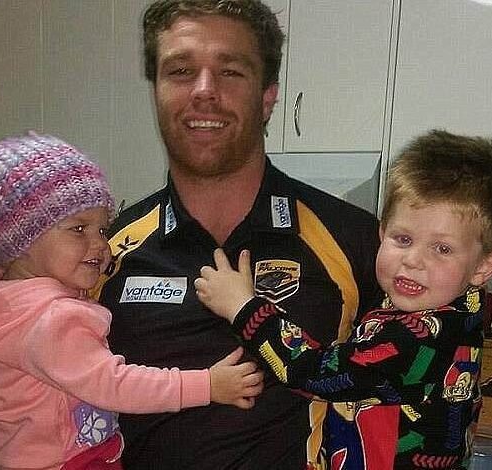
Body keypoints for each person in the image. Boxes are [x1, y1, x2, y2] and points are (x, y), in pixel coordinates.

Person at [93, 0, 382, 468]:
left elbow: (417, 395)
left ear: (267, 97)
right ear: (157, 92)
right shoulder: (105, 252)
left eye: (230, 72)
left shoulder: (354, 240)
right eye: (181, 71)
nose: (204, 91)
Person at [195, 129, 492, 469]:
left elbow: (311, 372)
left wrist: (244, 307)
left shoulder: (419, 337)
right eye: (403, 239)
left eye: (442, 249)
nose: (413, 260)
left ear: (483, 266)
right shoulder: (455, 310)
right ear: (382, 233)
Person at [0, 133, 263, 470]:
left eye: (102, 230)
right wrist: (207, 385)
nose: (100, 245)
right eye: (79, 229)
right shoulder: (52, 320)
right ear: (22, 240)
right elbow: (117, 385)